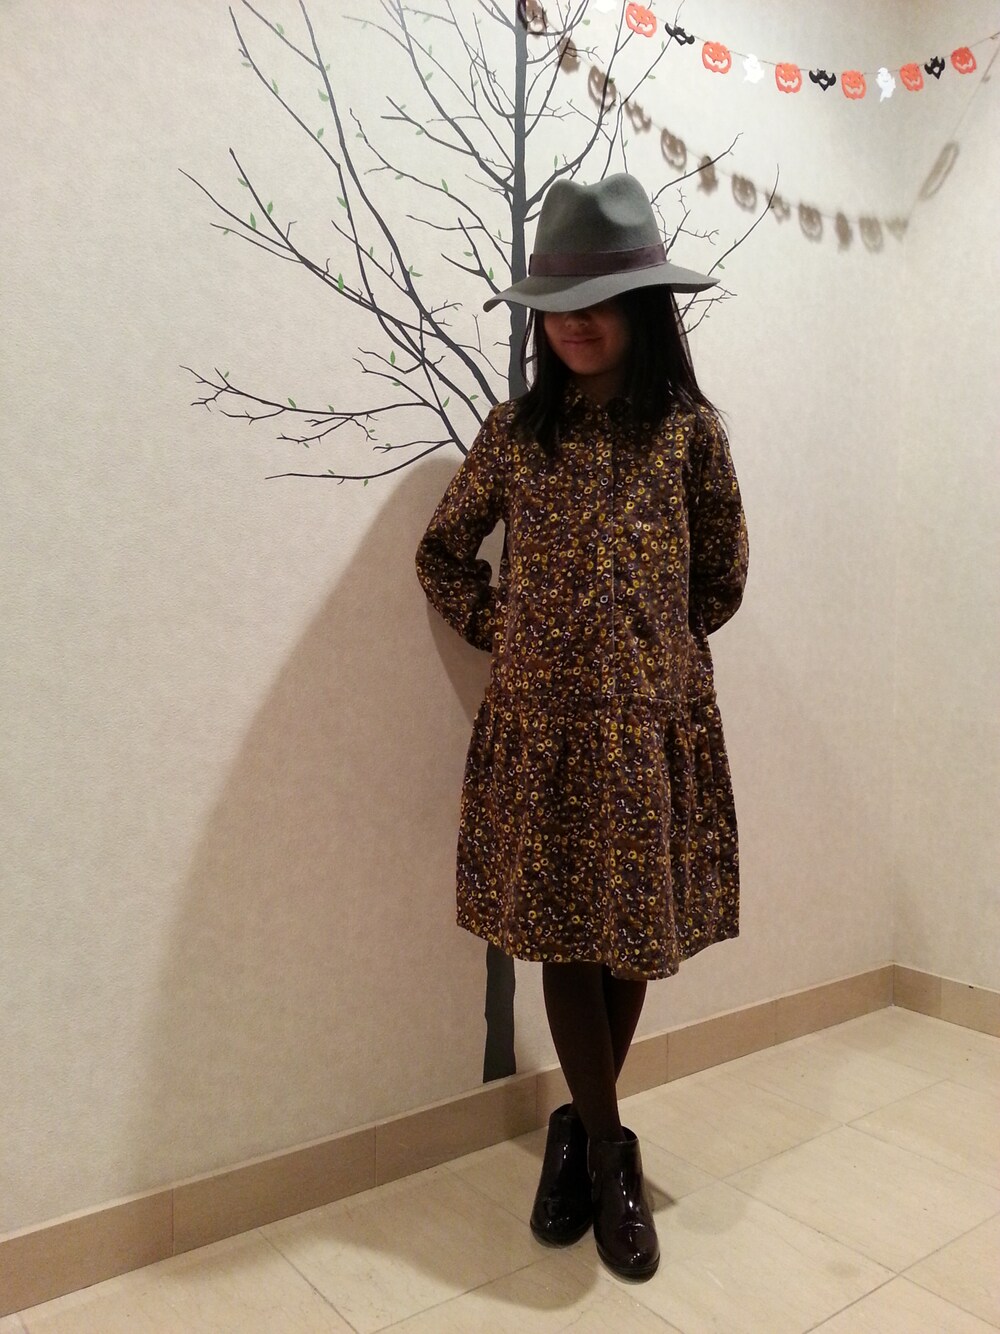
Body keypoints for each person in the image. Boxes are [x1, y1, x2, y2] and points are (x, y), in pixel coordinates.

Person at [414, 173, 748, 1281]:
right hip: (545, 733)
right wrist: (510, 632)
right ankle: (609, 1154)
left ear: (644, 306)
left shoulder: (689, 433)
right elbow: (441, 554)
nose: (575, 322)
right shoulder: (517, 435)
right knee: (563, 937)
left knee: (629, 938)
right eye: (557, 304)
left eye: (599, 300)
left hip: (647, 728)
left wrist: (651, 651)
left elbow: (722, 575)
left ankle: (578, 1134)